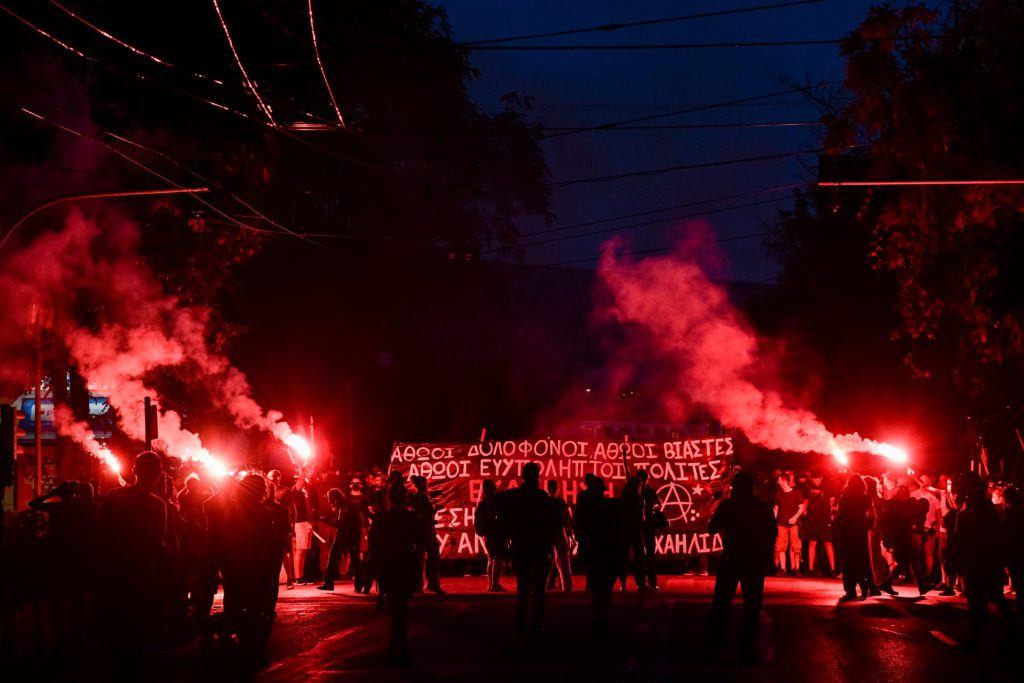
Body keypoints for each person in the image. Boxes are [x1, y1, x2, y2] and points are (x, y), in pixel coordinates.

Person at [94, 451, 167, 658]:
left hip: (115, 575)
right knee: (138, 632)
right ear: (159, 475)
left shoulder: (115, 497)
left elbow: (100, 532)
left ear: (135, 471)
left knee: (117, 636)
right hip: (142, 576)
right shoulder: (157, 505)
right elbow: (156, 544)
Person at [706, 471, 777, 662]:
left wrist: (719, 506)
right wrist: (767, 558)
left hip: (732, 558)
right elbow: (772, 532)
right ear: (752, 487)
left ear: (735, 488)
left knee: (721, 603)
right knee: (752, 606)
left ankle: (715, 645)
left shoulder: (728, 505)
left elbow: (712, 528)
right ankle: (748, 647)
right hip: (754, 560)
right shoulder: (762, 506)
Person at [953, 472, 1015, 649]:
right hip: (977, 558)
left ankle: (982, 638)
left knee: (985, 597)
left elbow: (982, 535)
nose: (960, 485)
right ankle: (984, 635)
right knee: (981, 598)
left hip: (981, 559)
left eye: (963, 482)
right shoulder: (972, 502)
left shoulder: (980, 505)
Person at [498, 462, 558, 636]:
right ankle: (536, 624)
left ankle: (521, 624)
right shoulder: (541, 497)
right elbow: (548, 523)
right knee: (537, 590)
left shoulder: (514, 496)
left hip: (521, 548)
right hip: (537, 549)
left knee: (523, 587)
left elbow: (505, 519)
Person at [368, 482, 422, 664]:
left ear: (389, 498)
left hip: (389, 565)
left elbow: (374, 545)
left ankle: (395, 648)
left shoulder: (381, 519)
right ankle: (400, 648)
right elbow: (419, 543)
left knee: (396, 609)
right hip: (405, 564)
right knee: (401, 609)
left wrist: (376, 567)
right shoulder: (411, 518)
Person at [574, 476, 626, 636]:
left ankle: (599, 617)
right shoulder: (610, 506)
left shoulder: (587, 508)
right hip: (607, 552)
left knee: (598, 586)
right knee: (604, 585)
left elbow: (578, 529)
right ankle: (602, 616)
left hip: (593, 551)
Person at [834, 475, 878, 601]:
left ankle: (851, 590)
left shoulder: (844, 498)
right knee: (861, 560)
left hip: (847, 532)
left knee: (848, 562)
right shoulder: (866, 498)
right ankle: (865, 586)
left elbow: (841, 515)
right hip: (860, 532)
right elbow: (870, 515)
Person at [319, 488, 364, 591]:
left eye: (330, 499)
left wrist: (328, 521)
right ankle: (359, 585)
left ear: (335, 499)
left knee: (333, 556)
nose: (329, 502)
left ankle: (329, 583)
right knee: (355, 559)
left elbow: (340, 523)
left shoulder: (343, 506)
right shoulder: (349, 504)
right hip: (354, 534)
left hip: (345, 535)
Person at [410, 475, 443, 593]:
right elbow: (426, 512)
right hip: (426, 531)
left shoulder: (416, 497)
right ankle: (432, 584)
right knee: (432, 557)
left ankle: (419, 585)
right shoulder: (421, 497)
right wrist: (435, 509)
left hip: (421, 530)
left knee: (420, 559)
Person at [475, 478, 507, 592]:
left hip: (486, 535)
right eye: (494, 485)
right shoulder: (496, 500)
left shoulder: (481, 502)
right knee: (498, 557)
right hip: (496, 533)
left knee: (490, 557)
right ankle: (495, 584)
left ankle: (491, 584)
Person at [773, 471, 806, 574]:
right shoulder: (778, 494)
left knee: (796, 546)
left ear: (784, 481)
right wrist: (772, 521)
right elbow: (776, 509)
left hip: (794, 524)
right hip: (781, 524)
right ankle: (783, 569)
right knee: (781, 546)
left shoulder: (796, 493)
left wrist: (795, 518)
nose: (778, 482)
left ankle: (796, 569)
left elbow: (801, 508)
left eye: (779, 480)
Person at [803, 473, 835, 576]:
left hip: (825, 519)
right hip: (813, 519)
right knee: (812, 543)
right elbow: (806, 501)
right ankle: (810, 569)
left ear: (821, 478)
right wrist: (804, 512)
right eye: (814, 478)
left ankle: (833, 569)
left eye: (818, 478)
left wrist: (832, 515)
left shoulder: (828, 487)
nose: (816, 480)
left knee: (828, 543)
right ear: (812, 479)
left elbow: (832, 502)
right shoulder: (808, 488)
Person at [546, 479, 573, 592]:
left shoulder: (544, 501)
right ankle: (566, 586)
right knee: (563, 560)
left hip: (545, 531)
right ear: (557, 488)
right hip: (558, 530)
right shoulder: (560, 502)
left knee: (540, 559)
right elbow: (565, 519)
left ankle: (537, 586)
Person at [636, 469, 660, 590]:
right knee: (649, 554)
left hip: (638, 526)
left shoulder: (635, 492)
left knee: (641, 554)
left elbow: (658, 503)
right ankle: (651, 582)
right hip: (647, 525)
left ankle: (642, 582)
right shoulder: (649, 491)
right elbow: (658, 503)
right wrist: (653, 509)